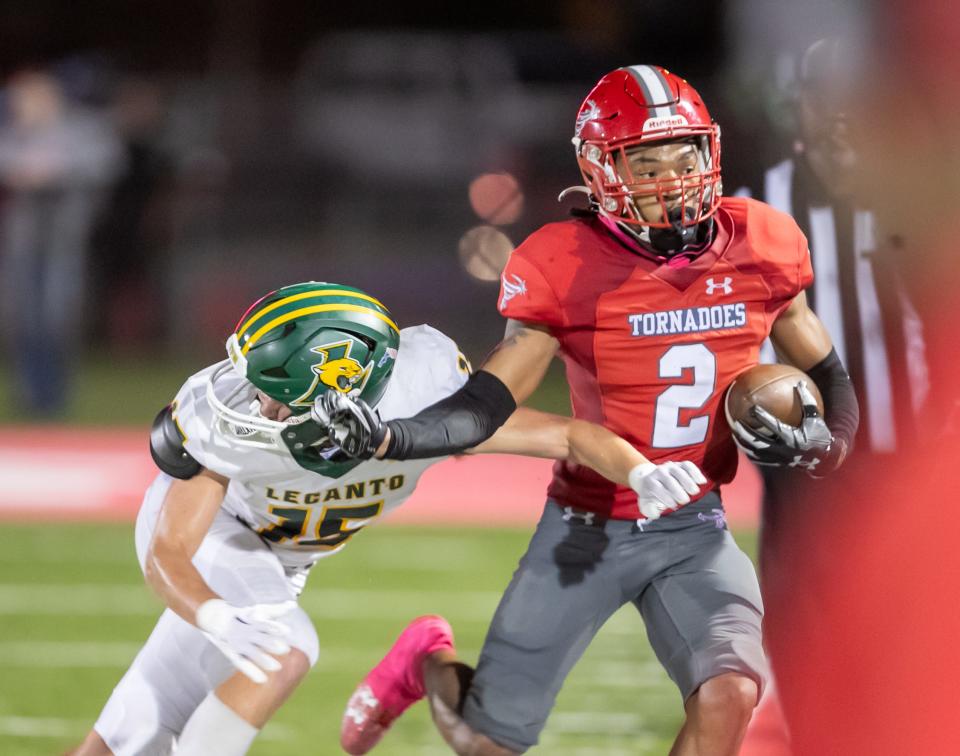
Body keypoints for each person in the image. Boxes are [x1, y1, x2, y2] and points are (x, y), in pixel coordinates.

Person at [320, 65, 859, 756]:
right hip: (588, 527)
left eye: (685, 154)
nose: (672, 177)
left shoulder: (762, 241)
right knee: (486, 742)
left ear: (711, 153)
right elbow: (488, 402)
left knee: (732, 693)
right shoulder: (565, 263)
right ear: (603, 170)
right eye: (647, 160)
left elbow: (825, 369)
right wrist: (394, 436)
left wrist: (830, 441)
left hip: (696, 526)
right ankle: (425, 659)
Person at [68, 280, 709, 756]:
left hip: (283, 561)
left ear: (341, 387)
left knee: (130, 737)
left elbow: (567, 436)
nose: (255, 405)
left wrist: (641, 472)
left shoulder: (424, 402)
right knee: (285, 647)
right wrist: (210, 611)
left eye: (274, 393)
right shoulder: (224, 418)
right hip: (221, 533)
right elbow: (170, 551)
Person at [737, 38, 929, 754]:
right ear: (802, 113)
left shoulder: (925, 197)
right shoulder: (755, 215)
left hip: (913, 458)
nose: (843, 120)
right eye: (828, 103)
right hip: (804, 468)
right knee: (806, 636)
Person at [0, 69, 123, 416]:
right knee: (23, 317)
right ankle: (28, 393)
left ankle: (56, 395)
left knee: (57, 315)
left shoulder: (79, 129)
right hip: (24, 240)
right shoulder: (16, 134)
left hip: (63, 239)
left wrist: (59, 169)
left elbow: (107, 160)